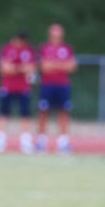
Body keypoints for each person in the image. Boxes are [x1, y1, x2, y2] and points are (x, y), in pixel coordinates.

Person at [36, 23, 78, 154]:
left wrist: (53, 64)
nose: (56, 35)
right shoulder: (44, 48)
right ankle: (41, 142)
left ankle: (63, 142)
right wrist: (61, 65)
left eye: (58, 32)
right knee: (43, 112)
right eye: (54, 32)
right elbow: (43, 67)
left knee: (64, 112)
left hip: (63, 85)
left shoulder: (67, 48)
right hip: (47, 85)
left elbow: (72, 67)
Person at [0, 32, 36, 154]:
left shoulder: (28, 50)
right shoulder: (7, 49)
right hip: (7, 87)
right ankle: (0, 141)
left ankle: (25, 141)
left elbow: (31, 68)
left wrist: (15, 68)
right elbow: (4, 68)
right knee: (3, 114)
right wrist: (21, 68)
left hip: (23, 88)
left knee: (25, 115)